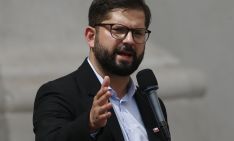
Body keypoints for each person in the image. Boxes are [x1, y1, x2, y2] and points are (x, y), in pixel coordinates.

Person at [33, 0, 171, 141]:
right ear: (91, 36)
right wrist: (89, 124)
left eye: (138, 33)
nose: (130, 40)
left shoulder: (151, 103)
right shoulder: (58, 94)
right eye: (118, 30)